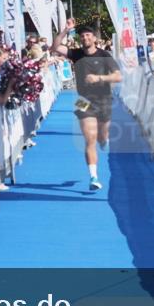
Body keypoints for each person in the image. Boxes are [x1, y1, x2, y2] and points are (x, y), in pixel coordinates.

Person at [51, 18, 121, 191]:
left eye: (88, 35)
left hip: (104, 99)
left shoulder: (105, 55)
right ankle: (93, 177)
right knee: (89, 139)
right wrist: (65, 30)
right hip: (83, 100)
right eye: (82, 36)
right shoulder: (76, 54)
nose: (85, 38)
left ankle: (103, 139)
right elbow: (55, 47)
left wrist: (100, 78)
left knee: (102, 136)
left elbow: (118, 76)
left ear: (94, 38)